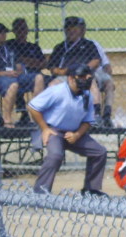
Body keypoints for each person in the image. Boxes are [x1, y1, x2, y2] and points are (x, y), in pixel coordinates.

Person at [28, 63, 107, 195]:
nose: (85, 80)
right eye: (81, 77)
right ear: (71, 78)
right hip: (54, 130)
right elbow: (33, 107)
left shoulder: (87, 95)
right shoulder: (57, 91)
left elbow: (88, 121)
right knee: (55, 156)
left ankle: (91, 190)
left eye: (88, 77)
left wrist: (77, 134)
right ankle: (40, 192)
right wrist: (45, 129)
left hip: (74, 132)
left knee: (99, 152)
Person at [0, 23, 45, 128]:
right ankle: (7, 120)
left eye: (5, 32)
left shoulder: (11, 48)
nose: (3, 35)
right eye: (0, 32)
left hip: (14, 76)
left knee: (39, 77)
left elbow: (19, 66)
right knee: (13, 84)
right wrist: (5, 73)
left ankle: (37, 115)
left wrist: (18, 71)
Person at [7, 18, 48, 126]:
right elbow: (12, 62)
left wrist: (26, 61)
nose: (21, 31)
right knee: (15, 83)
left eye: (24, 28)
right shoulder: (9, 45)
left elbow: (44, 63)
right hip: (18, 75)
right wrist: (31, 62)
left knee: (47, 80)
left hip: (35, 74)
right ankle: (24, 113)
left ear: (27, 30)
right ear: (14, 31)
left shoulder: (33, 47)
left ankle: (44, 114)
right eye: (18, 29)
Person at [78, 18, 115, 127]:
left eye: (82, 28)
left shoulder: (93, 44)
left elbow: (106, 64)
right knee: (92, 80)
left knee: (109, 84)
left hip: (98, 73)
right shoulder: (68, 46)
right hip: (84, 75)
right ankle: (96, 114)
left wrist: (108, 75)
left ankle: (107, 115)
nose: (80, 30)